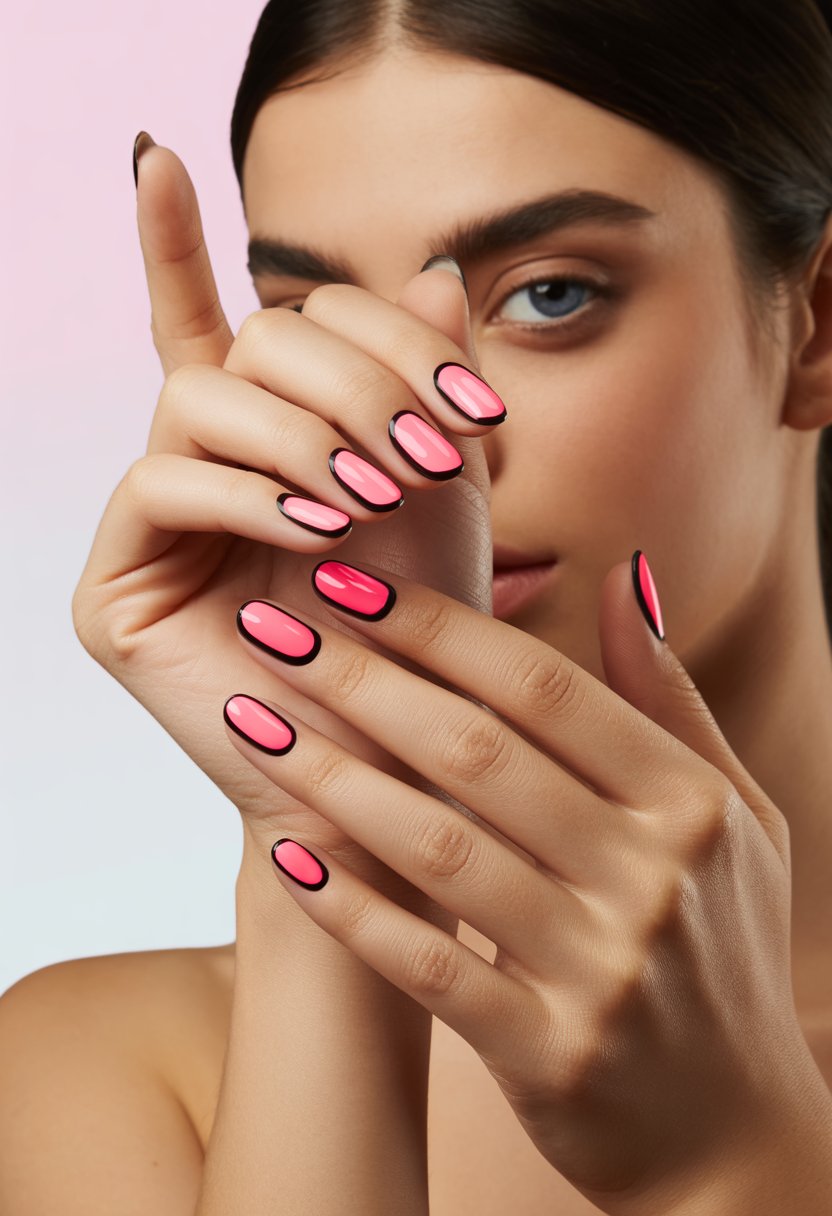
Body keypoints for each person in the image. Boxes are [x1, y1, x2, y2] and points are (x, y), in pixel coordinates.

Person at [2, 0, 832, 1211]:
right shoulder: (109, 1076)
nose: (418, 441)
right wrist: (325, 852)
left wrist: (736, 1164)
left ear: (814, 324)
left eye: (548, 296)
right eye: (313, 320)